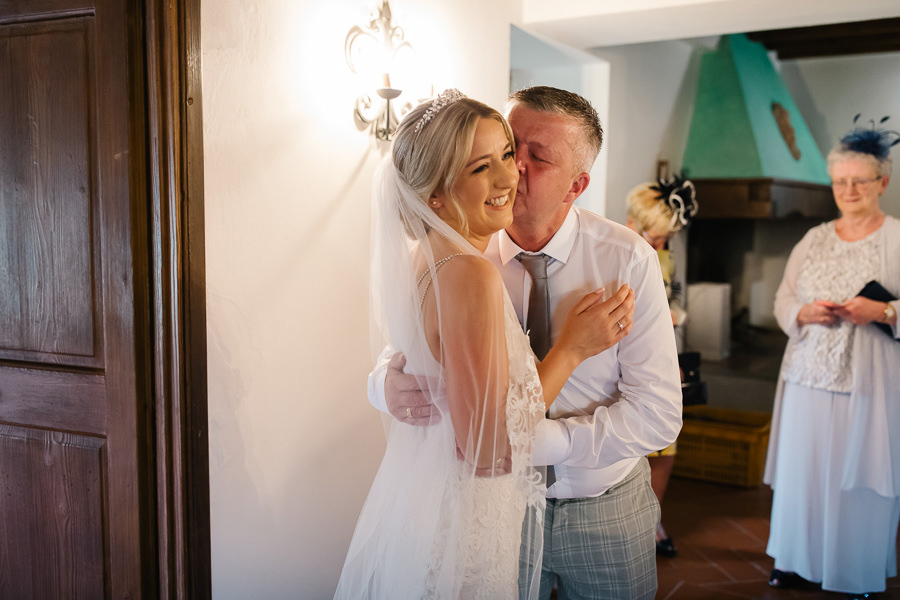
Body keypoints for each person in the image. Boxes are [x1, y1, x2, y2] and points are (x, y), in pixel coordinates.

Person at [369, 86, 683, 599]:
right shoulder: (458, 244)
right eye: (512, 148)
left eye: (535, 159)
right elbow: (406, 348)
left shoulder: (627, 260)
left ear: (576, 185)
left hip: (601, 508)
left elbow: (659, 414)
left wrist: (541, 443)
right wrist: (382, 384)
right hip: (494, 509)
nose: (513, 172)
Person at [763, 117, 900, 598]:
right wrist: (802, 312)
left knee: (855, 478)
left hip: (867, 384)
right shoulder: (814, 238)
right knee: (803, 473)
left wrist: (882, 310)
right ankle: (793, 560)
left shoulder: (897, 238)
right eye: (840, 182)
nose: (848, 190)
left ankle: (853, 570)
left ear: (882, 182)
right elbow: (781, 299)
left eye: (859, 181)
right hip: (806, 376)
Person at [624, 176, 698, 558]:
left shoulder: (664, 256)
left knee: (666, 449)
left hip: (662, 355)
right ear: (633, 222)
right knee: (633, 448)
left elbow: (676, 298)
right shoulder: (616, 251)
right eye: (655, 237)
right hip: (625, 364)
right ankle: (629, 522)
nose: (661, 245)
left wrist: (674, 322)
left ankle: (652, 518)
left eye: (667, 238)